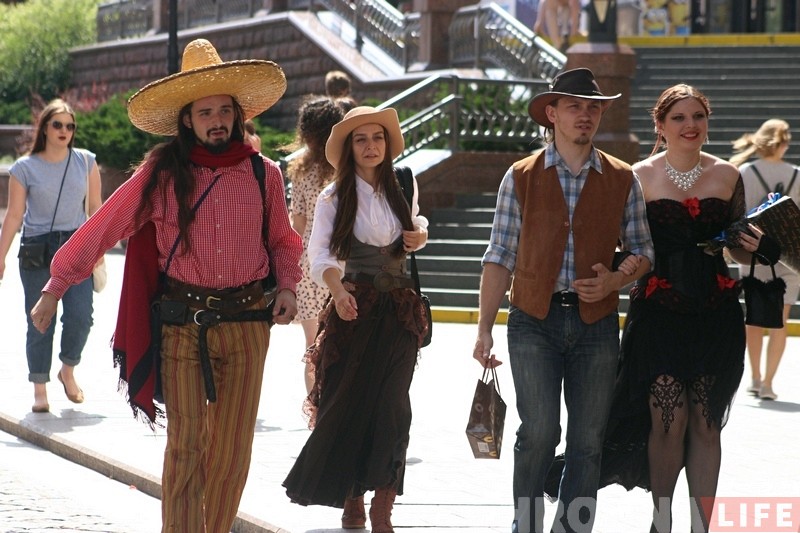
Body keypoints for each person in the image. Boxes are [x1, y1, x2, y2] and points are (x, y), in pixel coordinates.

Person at [29, 39, 303, 533]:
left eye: (224, 111)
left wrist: (286, 287)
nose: (217, 121)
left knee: (232, 452)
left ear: (238, 115)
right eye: (205, 112)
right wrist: (56, 285)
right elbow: (106, 223)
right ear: (187, 120)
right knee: (186, 447)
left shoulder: (265, 174)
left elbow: (283, 241)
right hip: (182, 326)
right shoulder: (161, 173)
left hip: (248, 326)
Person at [473, 68, 655, 533]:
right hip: (533, 320)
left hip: (597, 325)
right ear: (552, 114)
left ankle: (572, 529)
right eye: (575, 106)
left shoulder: (622, 177)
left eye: (593, 107)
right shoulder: (521, 176)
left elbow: (643, 249)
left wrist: (615, 279)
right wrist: (483, 329)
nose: (585, 115)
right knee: (538, 432)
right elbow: (499, 254)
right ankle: (527, 525)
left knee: (588, 441)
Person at [598, 84, 780, 533]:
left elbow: (735, 248)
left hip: (716, 313)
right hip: (658, 314)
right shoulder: (637, 176)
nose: (690, 125)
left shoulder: (728, 175)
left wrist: (761, 247)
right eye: (678, 117)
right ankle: (661, 523)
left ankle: (702, 526)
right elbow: (623, 245)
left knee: (706, 423)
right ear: (660, 125)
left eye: (698, 116)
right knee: (668, 421)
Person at [283, 106, 430, 533]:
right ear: (349, 149)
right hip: (355, 308)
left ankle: (383, 509)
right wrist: (338, 291)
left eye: (377, 138)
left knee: (393, 408)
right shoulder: (334, 196)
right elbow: (320, 256)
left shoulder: (404, 182)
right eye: (361, 140)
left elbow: (418, 223)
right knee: (349, 403)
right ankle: (352, 500)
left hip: (400, 312)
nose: (370, 146)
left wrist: (419, 235)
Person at [0, 98, 102, 413]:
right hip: (37, 249)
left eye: (70, 126)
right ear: (45, 128)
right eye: (57, 124)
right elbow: (14, 216)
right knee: (40, 320)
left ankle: (67, 370)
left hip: (77, 246)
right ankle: (39, 388)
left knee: (81, 316)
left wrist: (99, 248)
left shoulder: (86, 161)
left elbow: (96, 209)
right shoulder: (24, 168)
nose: (64, 130)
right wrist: (1, 256)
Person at [731, 118, 799, 401]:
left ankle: (756, 378)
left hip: (755, 254)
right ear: (783, 142)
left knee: (754, 317)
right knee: (781, 319)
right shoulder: (797, 174)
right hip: (790, 257)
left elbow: (738, 214)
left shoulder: (745, 171)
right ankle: (769, 383)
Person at [283, 96, 347, 393]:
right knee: (343, 340)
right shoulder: (347, 168)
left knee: (312, 344)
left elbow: (297, 224)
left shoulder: (299, 170)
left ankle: (315, 409)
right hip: (343, 258)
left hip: (310, 262)